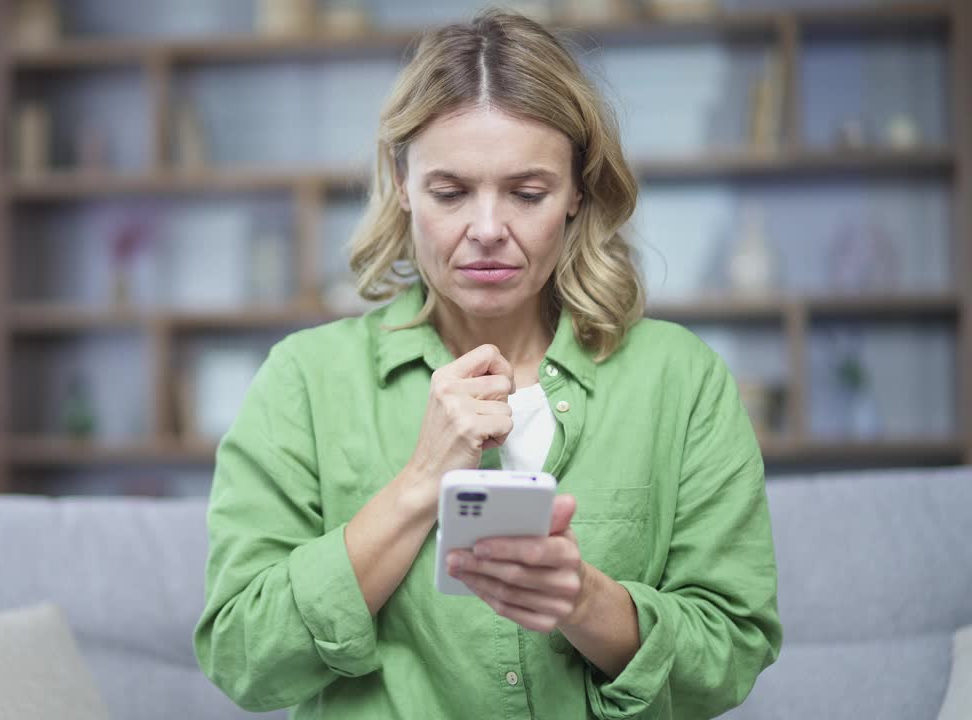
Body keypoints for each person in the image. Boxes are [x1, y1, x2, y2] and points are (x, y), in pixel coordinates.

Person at [194, 10, 782, 719]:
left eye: (527, 193)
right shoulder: (305, 379)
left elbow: (733, 650)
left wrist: (586, 602)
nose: (487, 229)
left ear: (577, 194)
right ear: (402, 183)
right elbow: (242, 657)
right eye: (450, 192)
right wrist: (420, 482)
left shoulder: (679, 381)